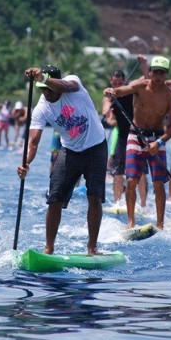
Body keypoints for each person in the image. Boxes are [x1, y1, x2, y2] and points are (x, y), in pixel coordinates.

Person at [17, 65, 107, 255]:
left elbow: (65, 86)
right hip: (69, 151)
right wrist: (25, 163)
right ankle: (49, 248)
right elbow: (33, 143)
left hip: (96, 147)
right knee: (54, 198)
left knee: (94, 197)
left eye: (49, 88)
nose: (47, 93)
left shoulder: (73, 83)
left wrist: (44, 78)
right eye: (43, 89)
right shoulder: (41, 108)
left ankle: (92, 247)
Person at [104, 56, 171, 230]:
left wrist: (159, 143)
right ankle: (131, 222)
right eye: (155, 72)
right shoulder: (140, 87)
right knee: (131, 180)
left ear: (166, 74)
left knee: (158, 183)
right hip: (135, 135)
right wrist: (111, 91)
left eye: (162, 73)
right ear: (151, 72)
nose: (158, 76)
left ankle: (160, 224)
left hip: (157, 138)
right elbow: (122, 90)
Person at [101, 68, 148, 207]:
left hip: (136, 133)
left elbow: (145, 79)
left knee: (141, 171)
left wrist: (144, 63)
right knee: (117, 171)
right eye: (114, 83)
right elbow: (105, 109)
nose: (116, 85)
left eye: (119, 83)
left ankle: (143, 204)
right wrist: (108, 109)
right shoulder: (110, 96)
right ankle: (117, 203)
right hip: (122, 136)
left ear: (123, 81)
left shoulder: (131, 89)